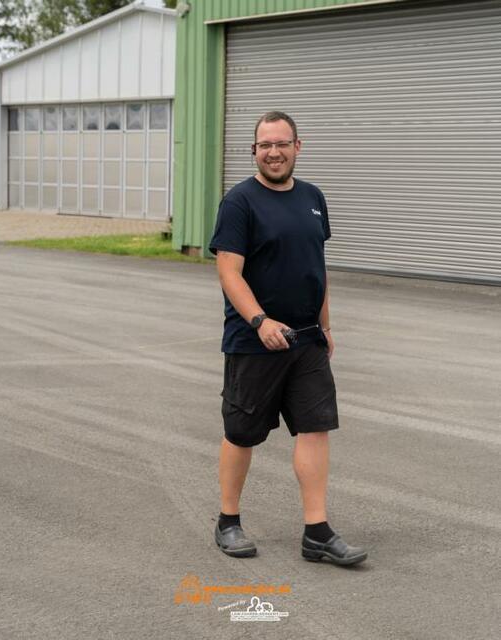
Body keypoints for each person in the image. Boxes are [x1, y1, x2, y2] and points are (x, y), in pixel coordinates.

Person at [208, 111, 367, 566]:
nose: (273, 152)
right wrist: (260, 321)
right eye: (264, 145)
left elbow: (315, 267)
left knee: (316, 427)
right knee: (241, 433)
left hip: (307, 340)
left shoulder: (314, 198)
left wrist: (327, 325)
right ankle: (228, 521)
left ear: (299, 146)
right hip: (254, 339)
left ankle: (317, 532)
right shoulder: (240, 202)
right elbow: (228, 271)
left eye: (281, 143)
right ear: (253, 152)